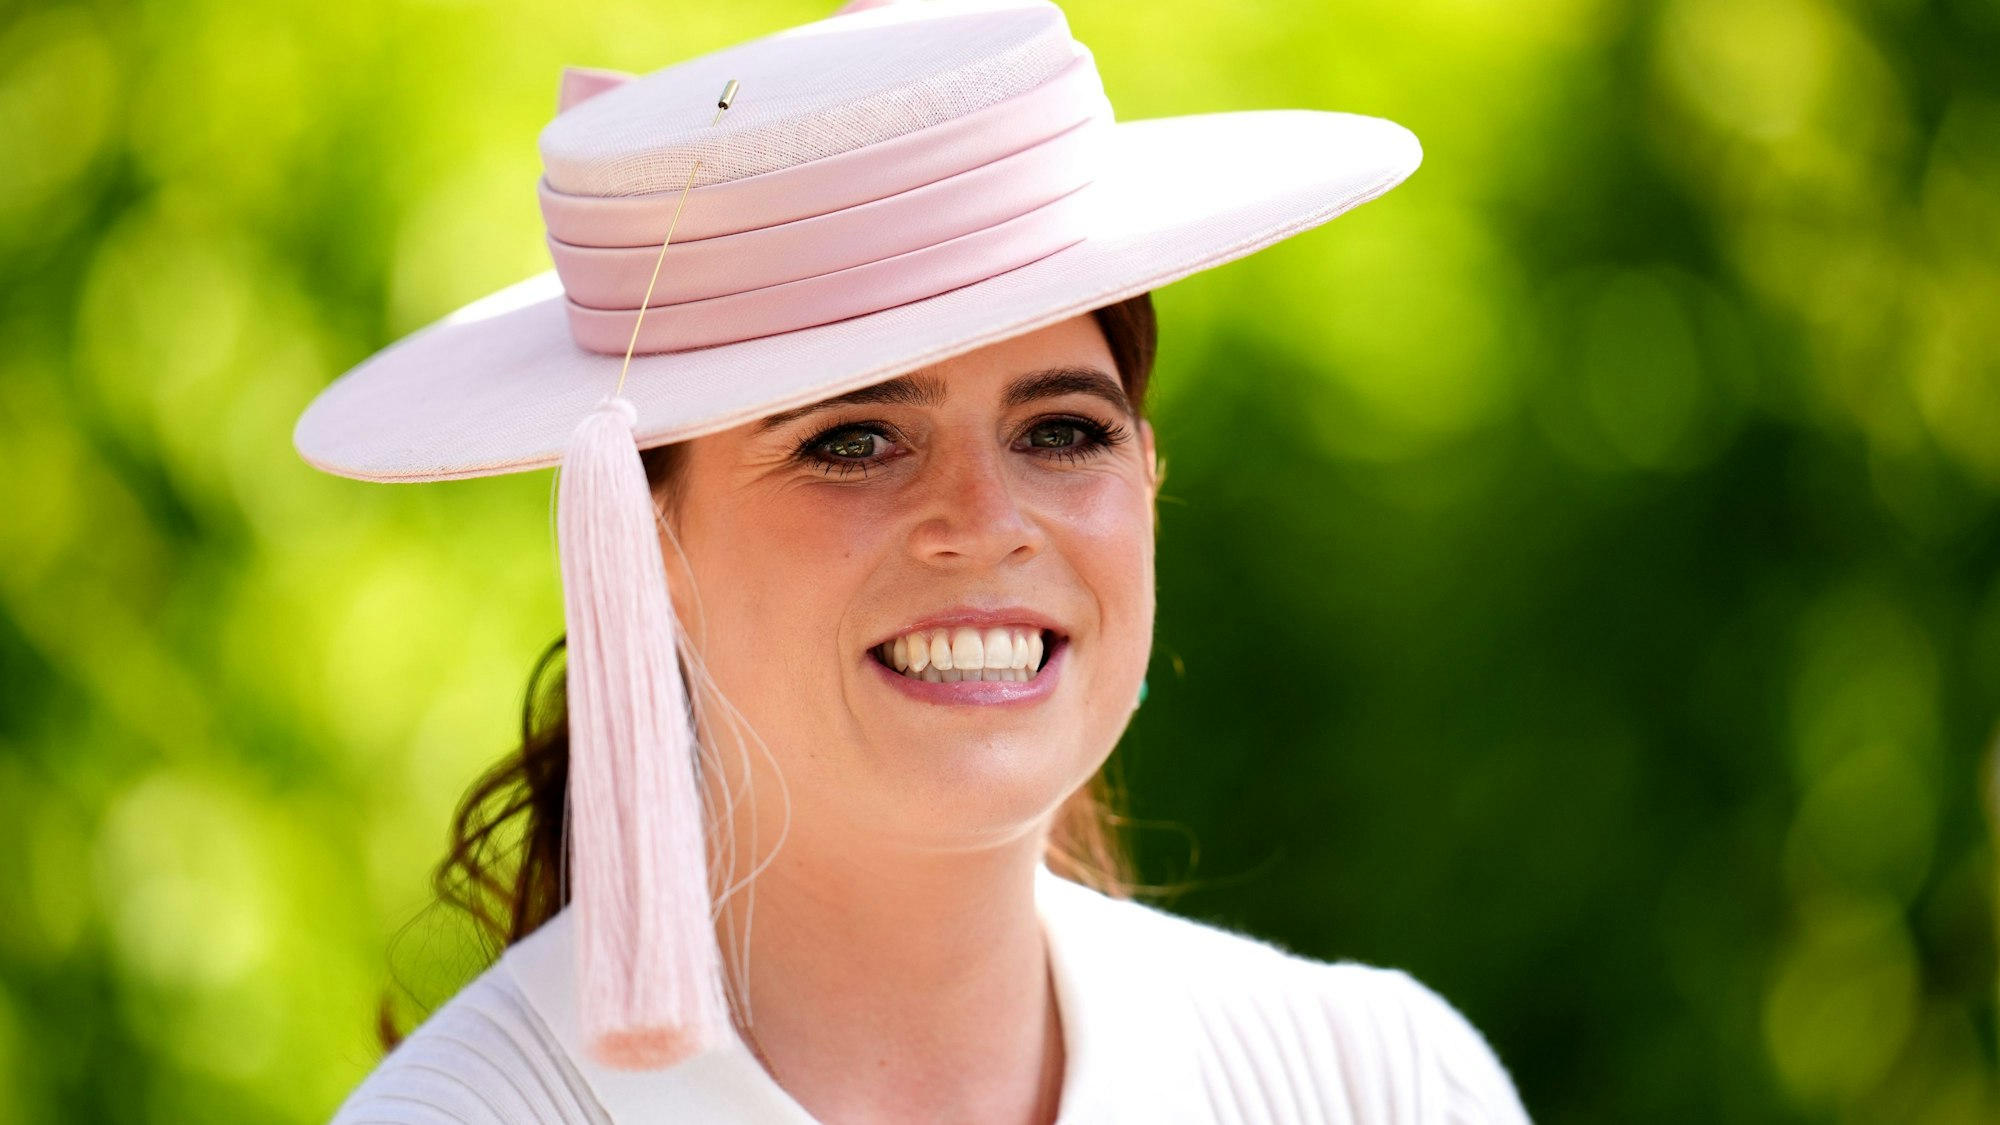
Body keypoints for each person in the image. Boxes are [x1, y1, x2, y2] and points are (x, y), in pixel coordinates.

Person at [294, 1, 1532, 1121]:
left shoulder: (1380, 1087)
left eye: (1061, 431)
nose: (984, 521)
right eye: (854, 440)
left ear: (1147, 484)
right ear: (642, 536)